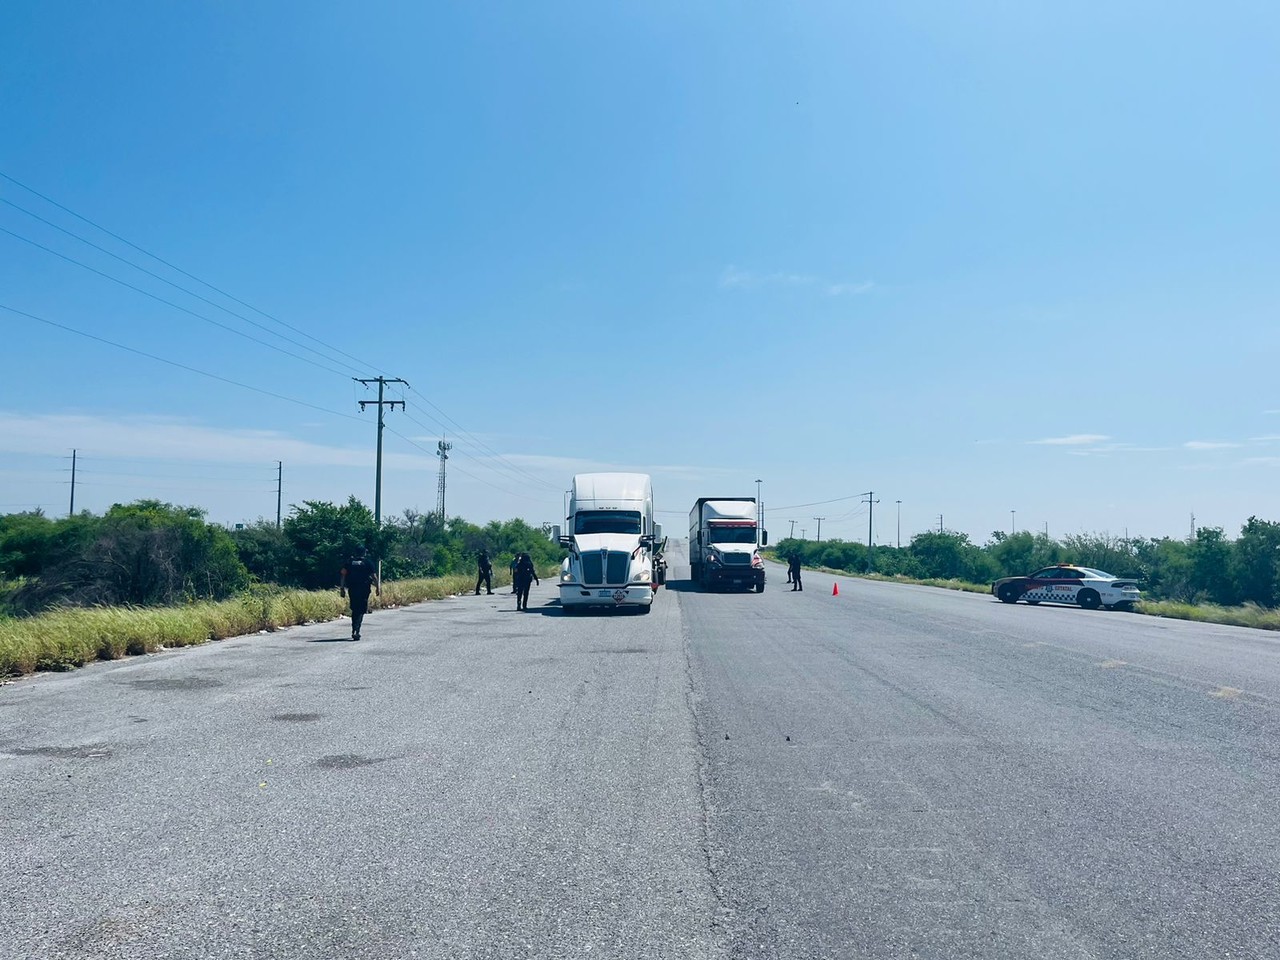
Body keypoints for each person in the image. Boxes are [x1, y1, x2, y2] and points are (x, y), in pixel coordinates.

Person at [340, 549, 380, 640]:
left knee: (354, 609)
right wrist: (378, 588)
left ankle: (354, 629)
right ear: (364, 553)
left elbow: (343, 575)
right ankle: (356, 630)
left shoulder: (349, 563)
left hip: (352, 588)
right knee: (361, 610)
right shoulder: (368, 563)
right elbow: (374, 576)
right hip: (364, 589)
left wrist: (342, 588)